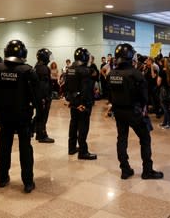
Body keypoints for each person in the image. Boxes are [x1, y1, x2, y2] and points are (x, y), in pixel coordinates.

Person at [0, 39, 38, 193]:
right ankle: (28, 182)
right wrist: (38, 115)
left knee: (4, 146)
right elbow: (38, 95)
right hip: (23, 116)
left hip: (4, 114)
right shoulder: (27, 70)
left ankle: (2, 178)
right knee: (25, 148)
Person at [107, 43, 164, 180]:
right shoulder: (135, 73)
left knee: (122, 139)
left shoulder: (111, 74)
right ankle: (147, 170)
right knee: (145, 139)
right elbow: (144, 97)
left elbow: (109, 95)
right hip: (134, 112)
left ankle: (125, 169)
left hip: (118, 112)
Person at [65, 47, 97, 160]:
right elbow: (86, 89)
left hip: (73, 102)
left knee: (73, 124)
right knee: (83, 126)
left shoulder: (69, 69)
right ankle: (83, 151)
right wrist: (83, 103)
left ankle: (71, 148)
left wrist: (71, 100)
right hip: (83, 103)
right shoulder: (85, 70)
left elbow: (66, 87)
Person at [34, 48, 55, 143]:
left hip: (39, 96)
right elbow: (43, 85)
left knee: (39, 115)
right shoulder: (43, 68)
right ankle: (42, 135)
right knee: (43, 116)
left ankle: (39, 134)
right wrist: (45, 97)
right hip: (43, 97)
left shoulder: (38, 66)